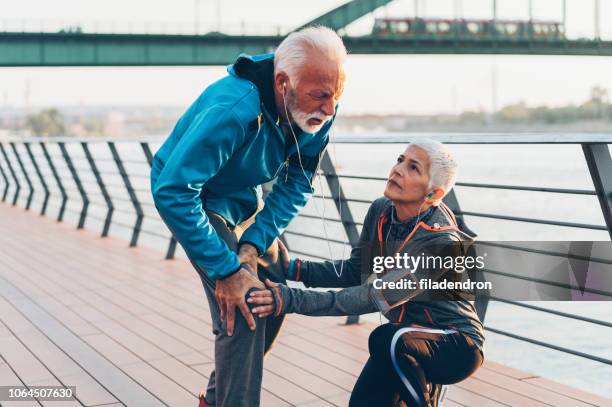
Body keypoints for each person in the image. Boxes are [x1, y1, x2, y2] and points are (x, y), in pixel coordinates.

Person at [150, 26, 347, 407]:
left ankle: (214, 400)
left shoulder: (322, 106)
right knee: (245, 307)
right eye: (320, 96)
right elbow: (173, 190)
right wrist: (226, 270)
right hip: (194, 197)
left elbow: (297, 182)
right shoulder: (233, 109)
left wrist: (255, 243)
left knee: (272, 293)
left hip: (241, 201)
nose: (329, 109)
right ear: (283, 84)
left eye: (336, 97)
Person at [249, 139, 485, 407]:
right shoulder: (381, 211)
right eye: (399, 160)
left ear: (433, 194)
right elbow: (354, 272)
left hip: (455, 345)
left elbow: (372, 298)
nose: (398, 170)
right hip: (402, 343)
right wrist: (294, 268)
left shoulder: (441, 245)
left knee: (385, 339)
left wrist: (289, 299)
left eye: (413, 168)